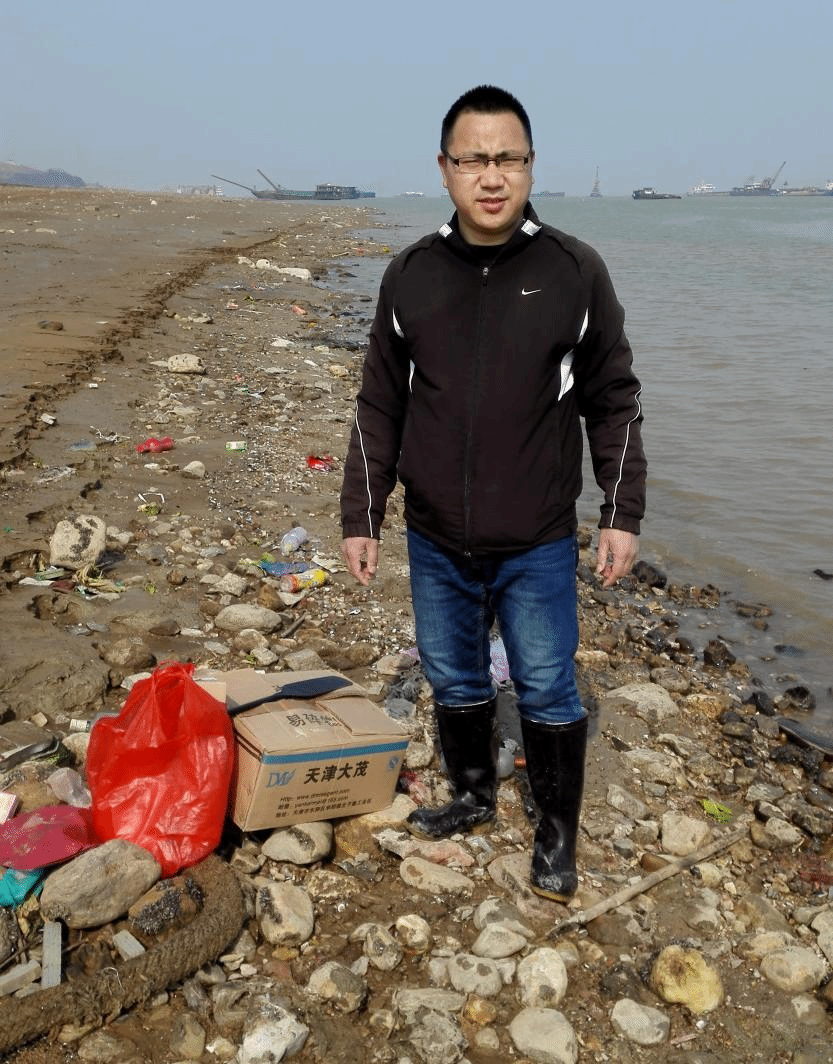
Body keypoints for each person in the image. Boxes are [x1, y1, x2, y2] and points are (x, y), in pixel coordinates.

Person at [340, 85, 646, 902]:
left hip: (536, 536)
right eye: (473, 159)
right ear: (443, 168)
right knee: (453, 674)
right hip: (435, 534)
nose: (490, 175)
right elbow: (378, 404)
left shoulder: (573, 271)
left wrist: (619, 514)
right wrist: (361, 515)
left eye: (507, 158)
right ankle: (473, 795)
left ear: (530, 166)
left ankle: (556, 834)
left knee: (545, 682)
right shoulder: (411, 274)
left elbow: (613, 400)